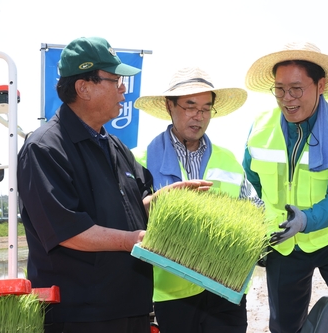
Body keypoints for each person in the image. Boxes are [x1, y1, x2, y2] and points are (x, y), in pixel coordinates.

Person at [17, 37, 209, 333]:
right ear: (84, 88)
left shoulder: (115, 146)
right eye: (116, 80)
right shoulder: (44, 149)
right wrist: (130, 239)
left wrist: (165, 200)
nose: (123, 89)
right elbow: (67, 230)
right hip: (80, 316)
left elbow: (136, 208)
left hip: (131, 308)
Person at [242, 42, 328, 333]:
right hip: (283, 241)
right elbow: (253, 177)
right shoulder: (259, 128)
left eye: (296, 89)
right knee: (284, 325)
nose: (287, 99)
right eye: (279, 89)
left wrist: (306, 219)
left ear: (321, 85)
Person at [133, 66, 263, 333]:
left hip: (226, 290)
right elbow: (126, 220)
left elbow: (255, 208)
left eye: (206, 109)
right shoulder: (140, 160)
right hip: (167, 297)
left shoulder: (227, 159)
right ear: (170, 106)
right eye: (190, 106)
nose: (199, 116)